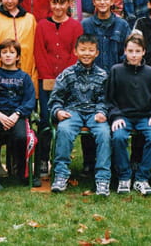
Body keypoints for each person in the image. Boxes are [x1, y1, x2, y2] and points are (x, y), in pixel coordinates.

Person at [48, 34, 111, 196]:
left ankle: (103, 178)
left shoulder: (103, 75)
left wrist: (102, 111)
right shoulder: (67, 74)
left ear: (97, 53)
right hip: (72, 112)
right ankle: (61, 174)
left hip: (94, 113)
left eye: (91, 50)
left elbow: (105, 99)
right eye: (83, 50)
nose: (86, 53)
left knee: (104, 133)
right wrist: (58, 111)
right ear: (76, 51)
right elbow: (55, 98)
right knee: (64, 130)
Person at [33, 0, 83, 178]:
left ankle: (61, 159)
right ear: (50, 4)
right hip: (46, 80)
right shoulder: (42, 25)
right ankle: (43, 159)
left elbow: (75, 53)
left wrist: (64, 78)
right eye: (55, 3)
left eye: (62, 3)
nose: (58, 7)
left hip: (68, 82)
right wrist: (48, 77)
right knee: (45, 119)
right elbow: (39, 52)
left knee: (64, 121)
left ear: (68, 4)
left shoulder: (75, 26)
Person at [105, 33, 151, 196]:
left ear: (144, 52)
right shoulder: (116, 71)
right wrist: (116, 116)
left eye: (138, 51)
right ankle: (124, 176)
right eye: (130, 51)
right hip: (123, 117)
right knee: (118, 137)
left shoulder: (150, 72)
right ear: (125, 51)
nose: (134, 55)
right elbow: (109, 99)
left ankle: (141, 178)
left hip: (144, 117)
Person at [80, 0, 130, 174]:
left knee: (113, 120)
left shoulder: (122, 25)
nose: (102, 2)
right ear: (93, 2)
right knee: (89, 116)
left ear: (112, 1)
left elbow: (126, 53)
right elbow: (81, 51)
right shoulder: (86, 25)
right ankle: (89, 160)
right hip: (90, 81)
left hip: (115, 81)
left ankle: (115, 160)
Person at [0, 39, 37, 190]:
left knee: (21, 137)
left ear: (18, 56)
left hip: (17, 115)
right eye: (4, 52)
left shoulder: (24, 77)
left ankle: (22, 172)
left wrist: (16, 114)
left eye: (12, 52)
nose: (8, 55)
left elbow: (29, 100)